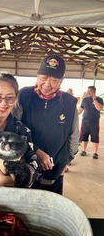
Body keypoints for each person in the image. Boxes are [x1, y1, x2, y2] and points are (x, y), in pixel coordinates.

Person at [13, 54, 79, 195]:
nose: (47, 84)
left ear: (62, 80)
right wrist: (35, 151)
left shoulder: (69, 102)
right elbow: (13, 129)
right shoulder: (24, 95)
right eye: (43, 77)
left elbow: (74, 134)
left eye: (54, 79)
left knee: (50, 208)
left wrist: (66, 160)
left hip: (55, 170)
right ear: (37, 76)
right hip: (25, 165)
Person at [78, 85, 103, 159]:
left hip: (94, 123)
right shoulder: (85, 100)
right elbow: (80, 109)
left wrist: (94, 99)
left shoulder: (99, 99)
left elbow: (99, 108)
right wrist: (74, 115)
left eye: (89, 91)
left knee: (95, 137)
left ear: (93, 92)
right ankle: (83, 150)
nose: (87, 92)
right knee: (84, 136)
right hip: (85, 122)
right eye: (87, 91)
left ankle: (95, 153)